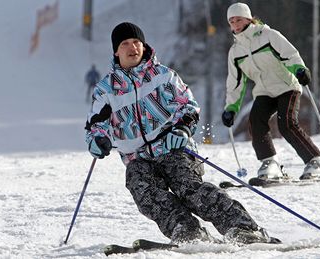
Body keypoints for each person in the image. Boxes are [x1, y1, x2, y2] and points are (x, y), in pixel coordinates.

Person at [85, 22, 280, 245]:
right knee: (143, 190)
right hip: (137, 157)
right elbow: (95, 125)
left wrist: (181, 129)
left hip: (172, 147)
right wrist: (97, 141)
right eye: (126, 43)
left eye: (137, 42)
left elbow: (188, 107)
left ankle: (243, 227)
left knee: (187, 187)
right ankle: (187, 231)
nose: (133, 48)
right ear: (116, 51)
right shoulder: (106, 89)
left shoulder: (163, 76)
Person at [221, 3, 320, 181]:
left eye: (238, 20)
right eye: (231, 21)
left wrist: (300, 69)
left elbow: (290, 54)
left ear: (248, 19)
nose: (235, 25)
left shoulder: (268, 35)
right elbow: (235, 82)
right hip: (264, 91)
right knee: (256, 122)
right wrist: (231, 107)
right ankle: (270, 163)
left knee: (286, 124)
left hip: (287, 86)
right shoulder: (235, 52)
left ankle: (316, 161)